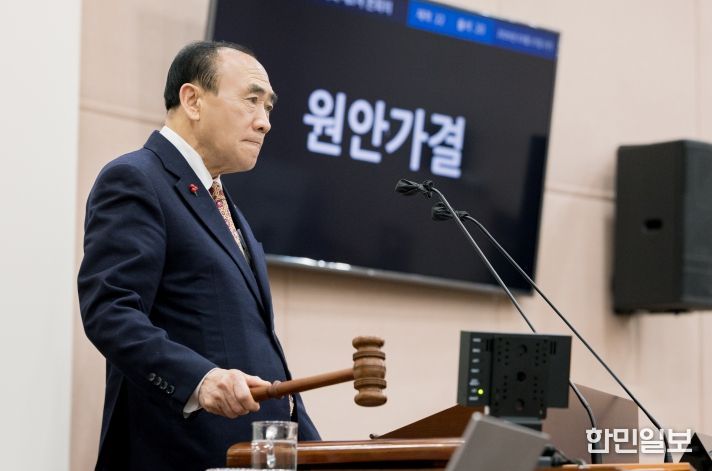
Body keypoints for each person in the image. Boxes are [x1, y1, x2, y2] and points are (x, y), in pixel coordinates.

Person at [78, 40, 320, 471]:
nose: (264, 122)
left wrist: (312, 443)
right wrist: (200, 380)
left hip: (253, 455)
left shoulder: (222, 202)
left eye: (268, 107)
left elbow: (256, 347)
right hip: (182, 455)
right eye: (251, 100)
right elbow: (110, 312)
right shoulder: (135, 179)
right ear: (192, 100)